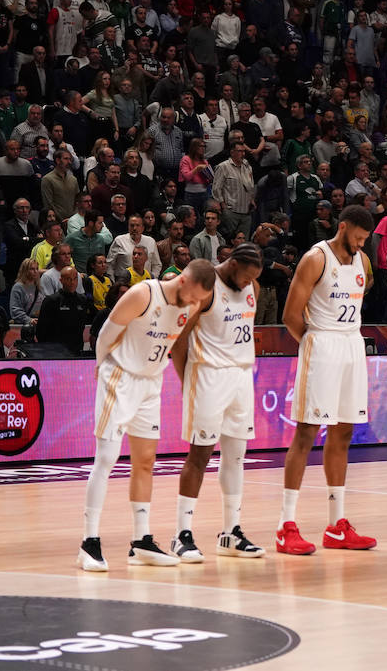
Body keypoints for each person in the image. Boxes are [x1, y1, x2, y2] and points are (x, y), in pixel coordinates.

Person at [76, 259, 216, 572]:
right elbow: (105, 335)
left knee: (145, 462)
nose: (195, 304)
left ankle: (141, 540)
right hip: (120, 377)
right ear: (182, 281)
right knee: (107, 458)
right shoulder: (143, 294)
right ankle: (89, 542)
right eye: (193, 296)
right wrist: (102, 369)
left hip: (151, 382)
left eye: (200, 301)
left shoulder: (191, 305)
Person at [276, 205, 376, 555]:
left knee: (345, 430)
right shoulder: (315, 258)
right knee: (306, 431)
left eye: (366, 240)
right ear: (343, 227)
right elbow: (290, 314)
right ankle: (285, 525)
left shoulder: (362, 262)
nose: (361, 245)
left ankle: (336, 524)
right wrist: (314, 344)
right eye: (358, 238)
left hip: (352, 344)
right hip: (321, 342)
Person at [169, 243, 266, 562]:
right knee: (199, 455)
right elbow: (179, 341)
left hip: (240, 376)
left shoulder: (252, 285)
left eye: (253, 278)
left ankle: (231, 532)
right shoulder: (207, 287)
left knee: (236, 457)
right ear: (232, 263)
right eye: (245, 276)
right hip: (207, 375)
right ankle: (181, 534)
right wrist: (187, 384)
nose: (247, 283)